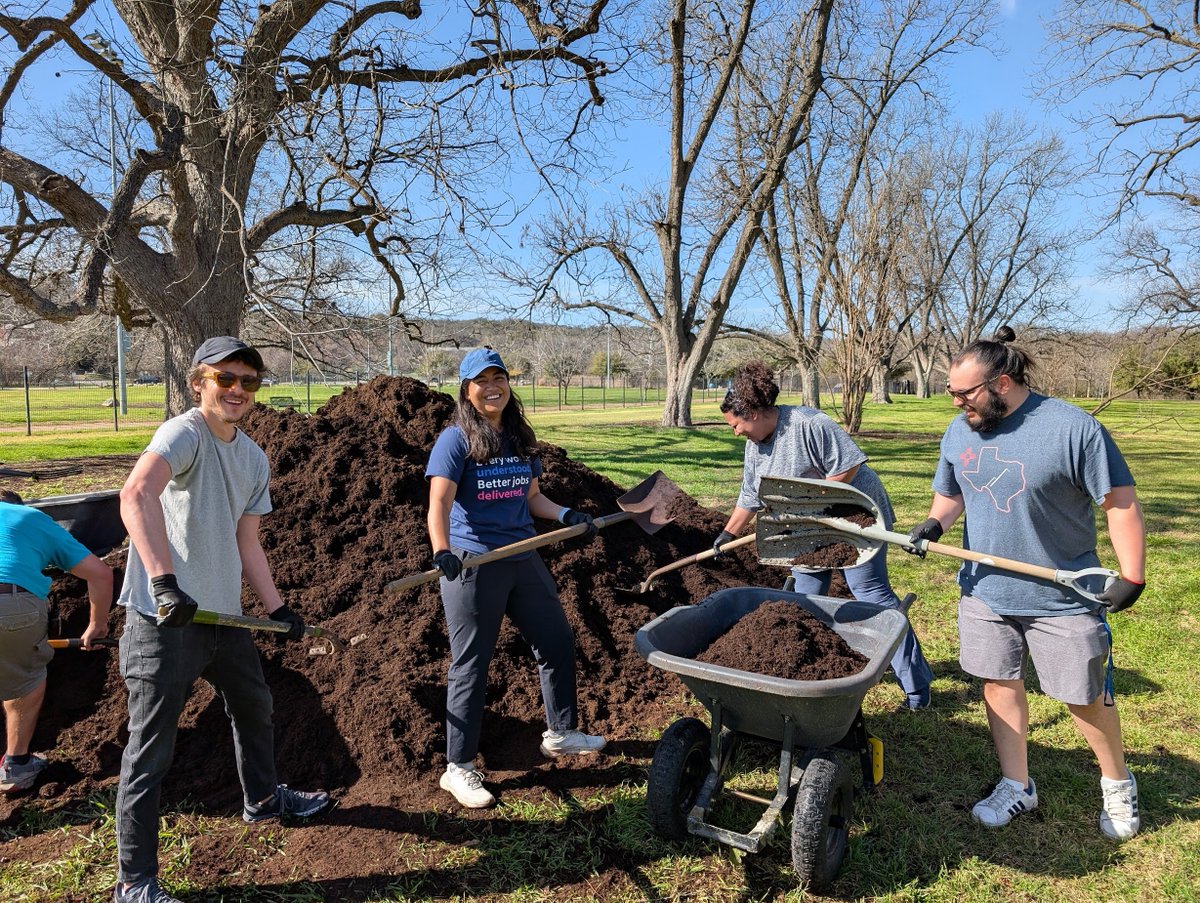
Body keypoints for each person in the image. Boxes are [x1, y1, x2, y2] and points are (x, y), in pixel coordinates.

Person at [115, 336, 331, 903]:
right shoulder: (182, 433)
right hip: (164, 621)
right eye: (225, 379)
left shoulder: (253, 456)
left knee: (254, 706)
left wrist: (278, 608)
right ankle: (135, 882)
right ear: (198, 383)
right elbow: (135, 495)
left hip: (224, 620)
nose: (237, 390)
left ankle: (262, 801)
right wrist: (164, 582)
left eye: (248, 381)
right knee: (151, 750)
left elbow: (248, 542)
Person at [907, 326, 1144, 839]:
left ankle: (1116, 784)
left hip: (1062, 594)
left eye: (965, 393)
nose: (957, 403)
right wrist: (934, 523)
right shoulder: (960, 430)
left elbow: (1119, 503)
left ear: (1005, 383)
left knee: (1082, 696)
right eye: (952, 393)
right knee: (998, 683)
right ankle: (1017, 784)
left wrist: (1132, 576)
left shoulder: (1072, 429)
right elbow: (952, 493)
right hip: (986, 590)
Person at [426, 346, 607, 809]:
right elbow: (439, 504)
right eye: (481, 380)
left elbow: (532, 499)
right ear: (466, 390)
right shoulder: (455, 439)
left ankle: (561, 734)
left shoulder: (519, 438)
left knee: (556, 641)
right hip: (473, 563)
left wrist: (566, 513)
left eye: (499, 378)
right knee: (471, 664)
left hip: (522, 556)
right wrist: (443, 550)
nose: (492, 387)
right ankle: (458, 767)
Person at [713, 361, 933, 711]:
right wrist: (727, 533)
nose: (735, 432)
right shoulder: (755, 445)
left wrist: (807, 504)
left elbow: (848, 467)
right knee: (806, 599)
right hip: (808, 526)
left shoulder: (808, 424)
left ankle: (917, 689)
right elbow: (750, 496)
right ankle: (809, 679)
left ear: (753, 413)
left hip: (853, 519)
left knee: (871, 595)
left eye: (736, 424)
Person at [0, 489, 113, 794]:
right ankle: (17, 764)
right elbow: (101, 574)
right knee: (27, 680)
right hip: (12, 605)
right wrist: (96, 625)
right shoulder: (31, 518)